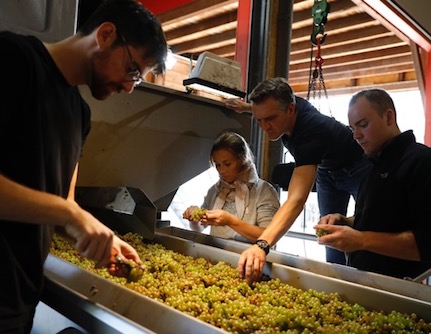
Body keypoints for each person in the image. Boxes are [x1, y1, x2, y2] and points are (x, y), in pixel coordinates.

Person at [0, 0, 169, 332]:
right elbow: (64, 210)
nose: (129, 87)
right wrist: (71, 215)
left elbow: (62, 207)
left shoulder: (80, 115)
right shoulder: (14, 60)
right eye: (133, 70)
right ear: (106, 35)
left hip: (18, 300)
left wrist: (99, 240)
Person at [227, 77, 371, 281]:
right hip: (326, 170)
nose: (264, 127)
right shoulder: (285, 104)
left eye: (270, 119)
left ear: (291, 110)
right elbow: (267, 110)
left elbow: (296, 200)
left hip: (358, 168)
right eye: (259, 119)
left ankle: (366, 283)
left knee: (368, 227)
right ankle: (337, 280)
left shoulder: (310, 132)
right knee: (329, 232)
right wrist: (246, 107)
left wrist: (262, 244)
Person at [314, 88, 431, 279]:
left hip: (400, 292)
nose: (356, 135)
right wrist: (346, 221)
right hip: (368, 286)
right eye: (352, 129)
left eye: (363, 124)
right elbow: (388, 220)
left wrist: (361, 240)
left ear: (389, 117)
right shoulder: (372, 166)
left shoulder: (426, 162)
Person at [183, 132, 280, 243]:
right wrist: (194, 219)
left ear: (242, 158)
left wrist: (230, 221)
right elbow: (200, 227)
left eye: (227, 164)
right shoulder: (215, 191)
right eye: (218, 165)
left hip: (250, 258)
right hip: (216, 257)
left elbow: (270, 236)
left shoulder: (264, 191)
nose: (222, 170)